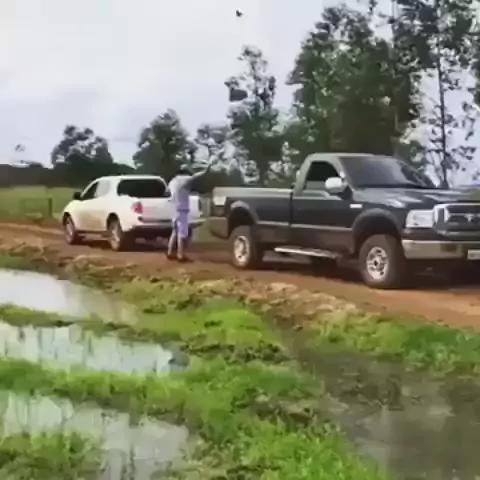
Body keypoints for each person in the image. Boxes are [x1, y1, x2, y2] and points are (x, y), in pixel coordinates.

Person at [166, 162, 213, 262]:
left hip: (174, 209)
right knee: (181, 234)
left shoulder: (172, 181)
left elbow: (167, 191)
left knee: (174, 232)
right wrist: (207, 168)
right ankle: (180, 255)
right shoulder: (185, 179)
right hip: (182, 209)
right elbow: (198, 175)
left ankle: (170, 252)